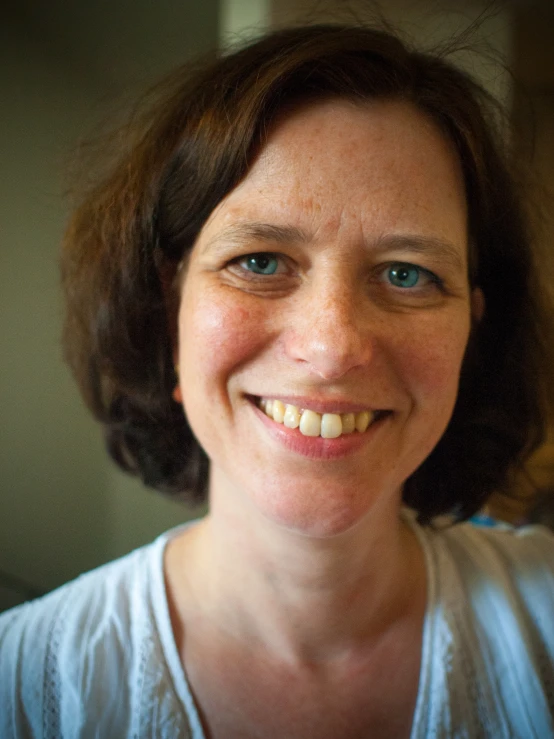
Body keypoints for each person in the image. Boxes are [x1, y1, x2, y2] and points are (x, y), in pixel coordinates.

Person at [1, 21, 554, 739]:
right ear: (171, 311)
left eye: (407, 274)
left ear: (472, 333)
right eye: (260, 260)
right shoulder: (24, 689)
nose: (331, 349)